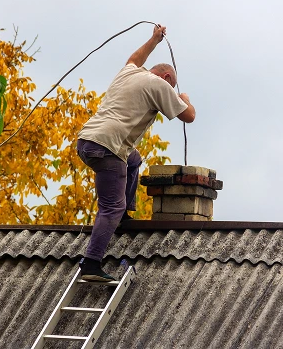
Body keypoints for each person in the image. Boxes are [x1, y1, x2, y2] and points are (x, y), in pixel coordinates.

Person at [77, 25, 195, 281]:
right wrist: (184, 97)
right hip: (109, 148)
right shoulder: (160, 85)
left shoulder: (129, 72)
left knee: (134, 158)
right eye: (171, 85)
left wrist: (154, 40)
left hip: (87, 141)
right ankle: (91, 264)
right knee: (110, 206)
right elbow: (189, 116)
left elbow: (134, 58)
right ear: (166, 79)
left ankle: (124, 215)